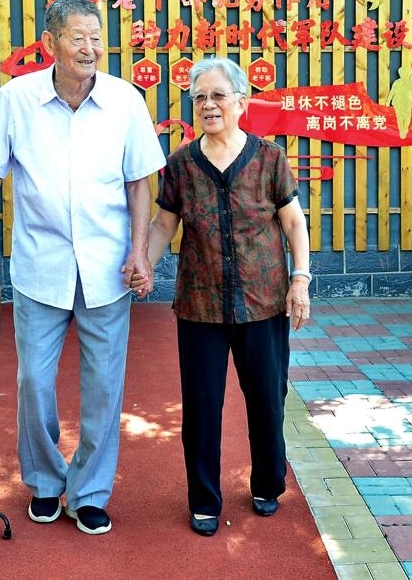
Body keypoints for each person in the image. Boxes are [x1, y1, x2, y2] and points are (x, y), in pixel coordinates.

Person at [0, 0, 165, 535]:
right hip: (40, 266)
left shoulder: (125, 101)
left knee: (104, 387)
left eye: (97, 38)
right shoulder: (16, 99)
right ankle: (46, 482)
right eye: (78, 38)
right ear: (50, 43)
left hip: (107, 269)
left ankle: (91, 491)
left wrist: (139, 251)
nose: (90, 48)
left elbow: (139, 184)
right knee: (33, 381)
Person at [130, 56, 311, 537]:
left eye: (218, 96)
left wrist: (300, 279)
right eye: (199, 98)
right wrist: (144, 262)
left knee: (268, 400)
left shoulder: (270, 158)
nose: (208, 105)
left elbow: (293, 222)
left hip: (263, 301)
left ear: (241, 102)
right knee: (202, 407)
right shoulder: (181, 164)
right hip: (200, 305)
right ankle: (204, 499)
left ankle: (268, 484)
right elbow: (164, 223)